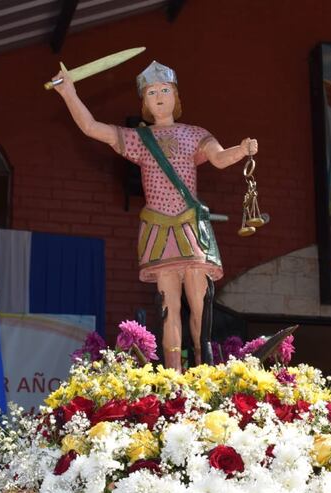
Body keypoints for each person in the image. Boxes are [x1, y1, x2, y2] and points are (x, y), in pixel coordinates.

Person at [51, 60, 257, 371]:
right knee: (168, 307)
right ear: (144, 103)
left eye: (164, 90)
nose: (159, 97)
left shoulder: (195, 134)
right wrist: (69, 93)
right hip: (158, 227)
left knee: (201, 304)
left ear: (176, 96)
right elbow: (93, 128)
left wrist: (241, 150)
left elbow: (218, 158)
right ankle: (173, 374)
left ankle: (205, 369)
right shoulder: (139, 139)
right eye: (151, 93)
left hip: (190, 226)